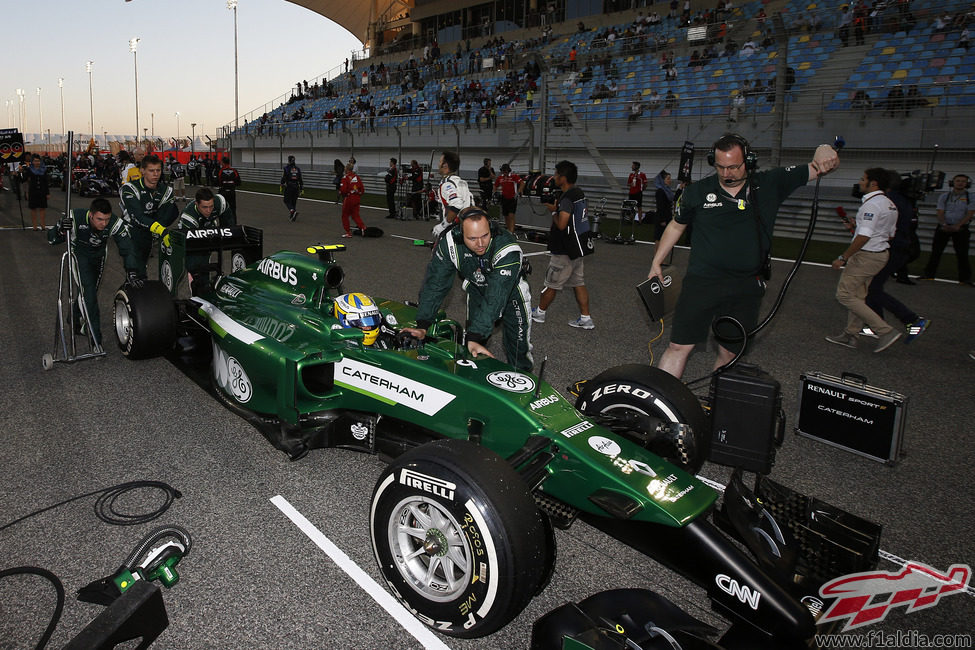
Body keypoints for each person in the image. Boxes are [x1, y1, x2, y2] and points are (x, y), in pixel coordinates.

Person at [648, 134, 840, 378]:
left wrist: (824, 149)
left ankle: (719, 407)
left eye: (734, 167)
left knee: (729, 353)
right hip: (701, 283)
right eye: (720, 167)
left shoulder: (770, 183)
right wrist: (656, 261)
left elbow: (820, 167)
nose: (727, 173)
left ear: (748, 161)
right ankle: (660, 408)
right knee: (678, 346)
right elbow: (677, 225)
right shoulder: (698, 192)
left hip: (746, 286)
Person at [401, 206, 533, 371]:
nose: (480, 244)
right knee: (471, 347)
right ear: (459, 234)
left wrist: (475, 335)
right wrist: (422, 324)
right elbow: (435, 285)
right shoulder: (449, 244)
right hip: (476, 290)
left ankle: (523, 385)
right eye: (472, 238)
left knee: (518, 348)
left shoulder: (507, 248)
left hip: (512, 294)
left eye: (485, 235)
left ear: (491, 229)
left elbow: (496, 295)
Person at [826, 168, 901, 352]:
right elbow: (887, 235)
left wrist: (843, 258)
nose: (860, 182)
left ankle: (885, 331)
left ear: (873, 183)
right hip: (879, 254)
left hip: (866, 256)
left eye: (863, 179)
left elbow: (864, 237)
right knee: (858, 295)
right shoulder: (889, 204)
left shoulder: (872, 205)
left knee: (844, 295)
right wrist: (854, 227)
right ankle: (851, 334)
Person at [47, 198, 139, 345]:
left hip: (99, 255)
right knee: (89, 294)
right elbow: (51, 240)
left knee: (89, 292)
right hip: (79, 255)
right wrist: (60, 230)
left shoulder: (114, 223)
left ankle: (74, 319)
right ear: (91, 215)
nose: (104, 224)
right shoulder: (74, 218)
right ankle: (95, 339)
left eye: (107, 219)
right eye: (99, 219)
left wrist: (132, 269)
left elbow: (127, 247)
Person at [862, 170, 930, 344]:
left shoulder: (888, 201)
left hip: (892, 249)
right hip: (900, 247)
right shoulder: (901, 200)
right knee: (871, 287)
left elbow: (887, 230)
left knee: (873, 288)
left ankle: (912, 320)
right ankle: (875, 325)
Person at [530, 160, 595, 330]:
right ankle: (586, 318)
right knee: (578, 283)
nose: (555, 177)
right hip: (577, 247)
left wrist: (553, 211)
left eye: (557, 174)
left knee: (551, 283)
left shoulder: (567, 198)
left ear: (563, 178)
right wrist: (553, 205)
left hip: (564, 250)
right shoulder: (578, 193)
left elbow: (562, 223)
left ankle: (540, 313)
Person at [119, 154, 179, 281]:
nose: (155, 174)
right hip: (130, 232)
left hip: (149, 233)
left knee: (142, 271)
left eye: (158, 170)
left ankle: (135, 293)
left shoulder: (166, 190)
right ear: (142, 170)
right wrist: (160, 230)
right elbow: (137, 216)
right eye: (151, 170)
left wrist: (159, 231)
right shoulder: (129, 188)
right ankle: (127, 296)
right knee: (136, 272)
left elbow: (167, 215)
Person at [176, 187, 237, 295]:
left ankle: (209, 287)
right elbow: (194, 245)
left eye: (211, 206)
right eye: (204, 207)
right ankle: (194, 290)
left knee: (208, 268)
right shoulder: (188, 217)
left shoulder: (220, 202)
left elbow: (230, 223)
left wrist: (225, 235)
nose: (209, 210)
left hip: (208, 228)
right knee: (196, 267)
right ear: (196, 204)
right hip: (188, 240)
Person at [920, 173, 973, 285]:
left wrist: (958, 225)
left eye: (963, 181)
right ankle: (928, 274)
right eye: (958, 181)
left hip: (961, 228)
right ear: (952, 183)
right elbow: (940, 211)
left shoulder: (970, 197)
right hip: (944, 227)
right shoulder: (944, 196)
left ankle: (965, 279)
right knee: (936, 252)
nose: (960, 183)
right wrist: (943, 224)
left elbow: (969, 213)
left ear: (967, 184)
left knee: (962, 254)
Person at [434, 151, 474, 237]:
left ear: (445, 165)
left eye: (440, 161)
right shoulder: (460, 182)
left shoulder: (447, 184)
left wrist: (443, 225)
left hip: (454, 230)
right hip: (468, 228)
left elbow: (457, 204)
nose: (438, 164)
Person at [339, 157, 367, 238]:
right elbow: (362, 189)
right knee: (355, 215)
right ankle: (363, 228)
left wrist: (341, 192)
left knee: (344, 215)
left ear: (347, 169)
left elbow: (343, 190)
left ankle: (348, 232)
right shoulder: (356, 177)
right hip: (357, 198)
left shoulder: (345, 177)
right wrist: (358, 194)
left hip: (349, 198)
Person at [494, 163, 525, 233]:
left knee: (511, 215)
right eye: (503, 171)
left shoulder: (514, 176)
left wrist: (519, 191)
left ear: (508, 171)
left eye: (506, 171)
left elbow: (522, 183)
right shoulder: (500, 178)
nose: (504, 173)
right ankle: (508, 230)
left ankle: (511, 231)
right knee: (506, 215)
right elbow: (495, 185)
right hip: (504, 198)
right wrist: (495, 192)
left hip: (512, 198)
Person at [25, 155, 50, 231]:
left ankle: (43, 225)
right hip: (33, 191)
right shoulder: (29, 170)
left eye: (38, 161)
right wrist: (18, 173)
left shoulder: (44, 170)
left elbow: (46, 182)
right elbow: (23, 179)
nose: (37, 163)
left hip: (42, 191)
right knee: (33, 209)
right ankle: (34, 226)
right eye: (35, 161)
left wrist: (47, 193)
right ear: (32, 162)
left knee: (42, 208)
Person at [280, 155, 303, 222]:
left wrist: (281, 184)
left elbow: (284, 177)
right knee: (293, 202)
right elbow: (300, 179)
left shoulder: (286, 168)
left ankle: (292, 211)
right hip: (296, 187)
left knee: (286, 200)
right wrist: (301, 188)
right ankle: (292, 216)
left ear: (289, 160)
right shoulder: (297, 169)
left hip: (289, 186)